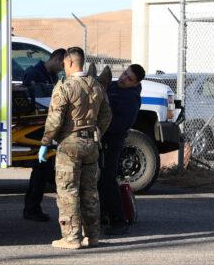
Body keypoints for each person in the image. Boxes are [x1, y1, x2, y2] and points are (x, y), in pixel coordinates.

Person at [38, 47, 112, 249]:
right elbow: (106, 116)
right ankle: (93, 236)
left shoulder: (64, 87)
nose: (63, 67)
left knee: (68, 190)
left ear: (70, 62)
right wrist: (96, 132)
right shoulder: (96, 86)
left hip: (70, 145)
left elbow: (55, 119)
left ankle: (71, 238)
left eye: (64, 64)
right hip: (91, 144)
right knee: (90, 191)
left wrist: (45, 143)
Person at [98, 64, 145, 235]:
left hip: (112, 141)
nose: (124, 78)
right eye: (125, 74)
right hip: (103, 139)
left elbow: (121, 124)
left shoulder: (130, 98)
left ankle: (118, 220)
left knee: (107, 179)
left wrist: (100, 128)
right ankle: (104, 215)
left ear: (135, 83)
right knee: (101, 179)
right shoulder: (112, 86)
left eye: (130, 78)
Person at [22, 48, 66, 222]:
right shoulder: (33, 74)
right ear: (55, 59)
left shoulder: (51, 76)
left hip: (47, 128)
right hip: (36, 130)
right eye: (62, 64)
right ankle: (31, 209)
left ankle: (32, 208)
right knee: (41, 170)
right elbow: (29, 101)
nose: (62, 68)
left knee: (44, 171)